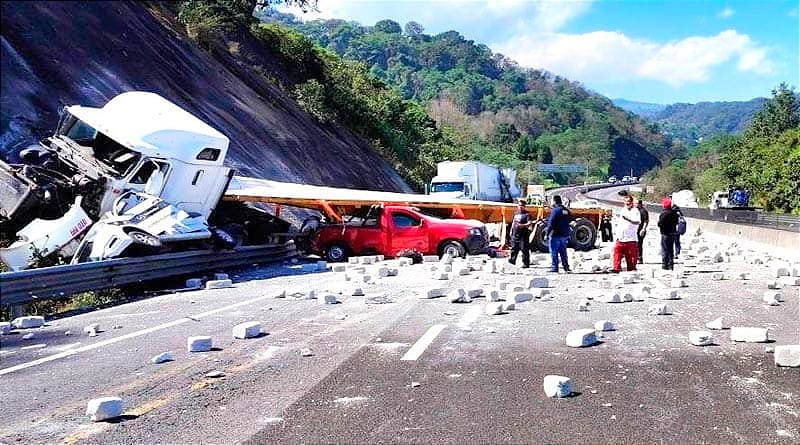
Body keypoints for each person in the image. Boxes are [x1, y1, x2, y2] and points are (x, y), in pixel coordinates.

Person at [611, 195, 640, 272]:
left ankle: (631, 270)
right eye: (626, 201)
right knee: (617, 254)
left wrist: (628, 219)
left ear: (632, 202)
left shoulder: (635, 211)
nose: (627, 203)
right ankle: (616, 268)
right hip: (621, 238)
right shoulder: (623, 210)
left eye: (629, 202)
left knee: (631, 258)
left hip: (631, 239)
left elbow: (637, 222)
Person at [545, 195, 571, 273]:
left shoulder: (555, 210)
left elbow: (551, 223)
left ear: (554, 201)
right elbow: (569, 220)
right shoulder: (566, 210)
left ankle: (554, 267)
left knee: (554, 251)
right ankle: (566, 267)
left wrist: (547, 233)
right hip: (564, 235)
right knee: (563, 252)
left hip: (555, 234)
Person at [508, 198, 532, 268]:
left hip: (523, 235)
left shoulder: (527, 214)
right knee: (514, 248)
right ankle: (512, 260)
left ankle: (526, 263)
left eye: (522, 205)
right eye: (519, 205)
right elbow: (513, 223)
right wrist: (511, 231)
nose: (520, 207)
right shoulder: (516, 213)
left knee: (524, 249)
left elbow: (529, 223)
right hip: (515, 234)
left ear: (524, 206)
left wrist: (523, 225)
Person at [657, 197, 680, 270]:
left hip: (665, 233)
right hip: (672, 233)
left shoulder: (663, 214)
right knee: (671, 250)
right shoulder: (675, 213)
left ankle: (665, 265)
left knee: (664, 250)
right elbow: (677, 222)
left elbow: (660, 224)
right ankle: (671, 265)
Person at [636, 198, 649, 264]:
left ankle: (640, 258)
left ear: (640, 204)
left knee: (639, 245)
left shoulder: (643, 211)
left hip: (641, 230)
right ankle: (635, 258)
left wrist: (643, 229)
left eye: (636, 203)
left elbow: (646, 221)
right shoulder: (635, 210)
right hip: (635, 230)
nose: (635, 204)